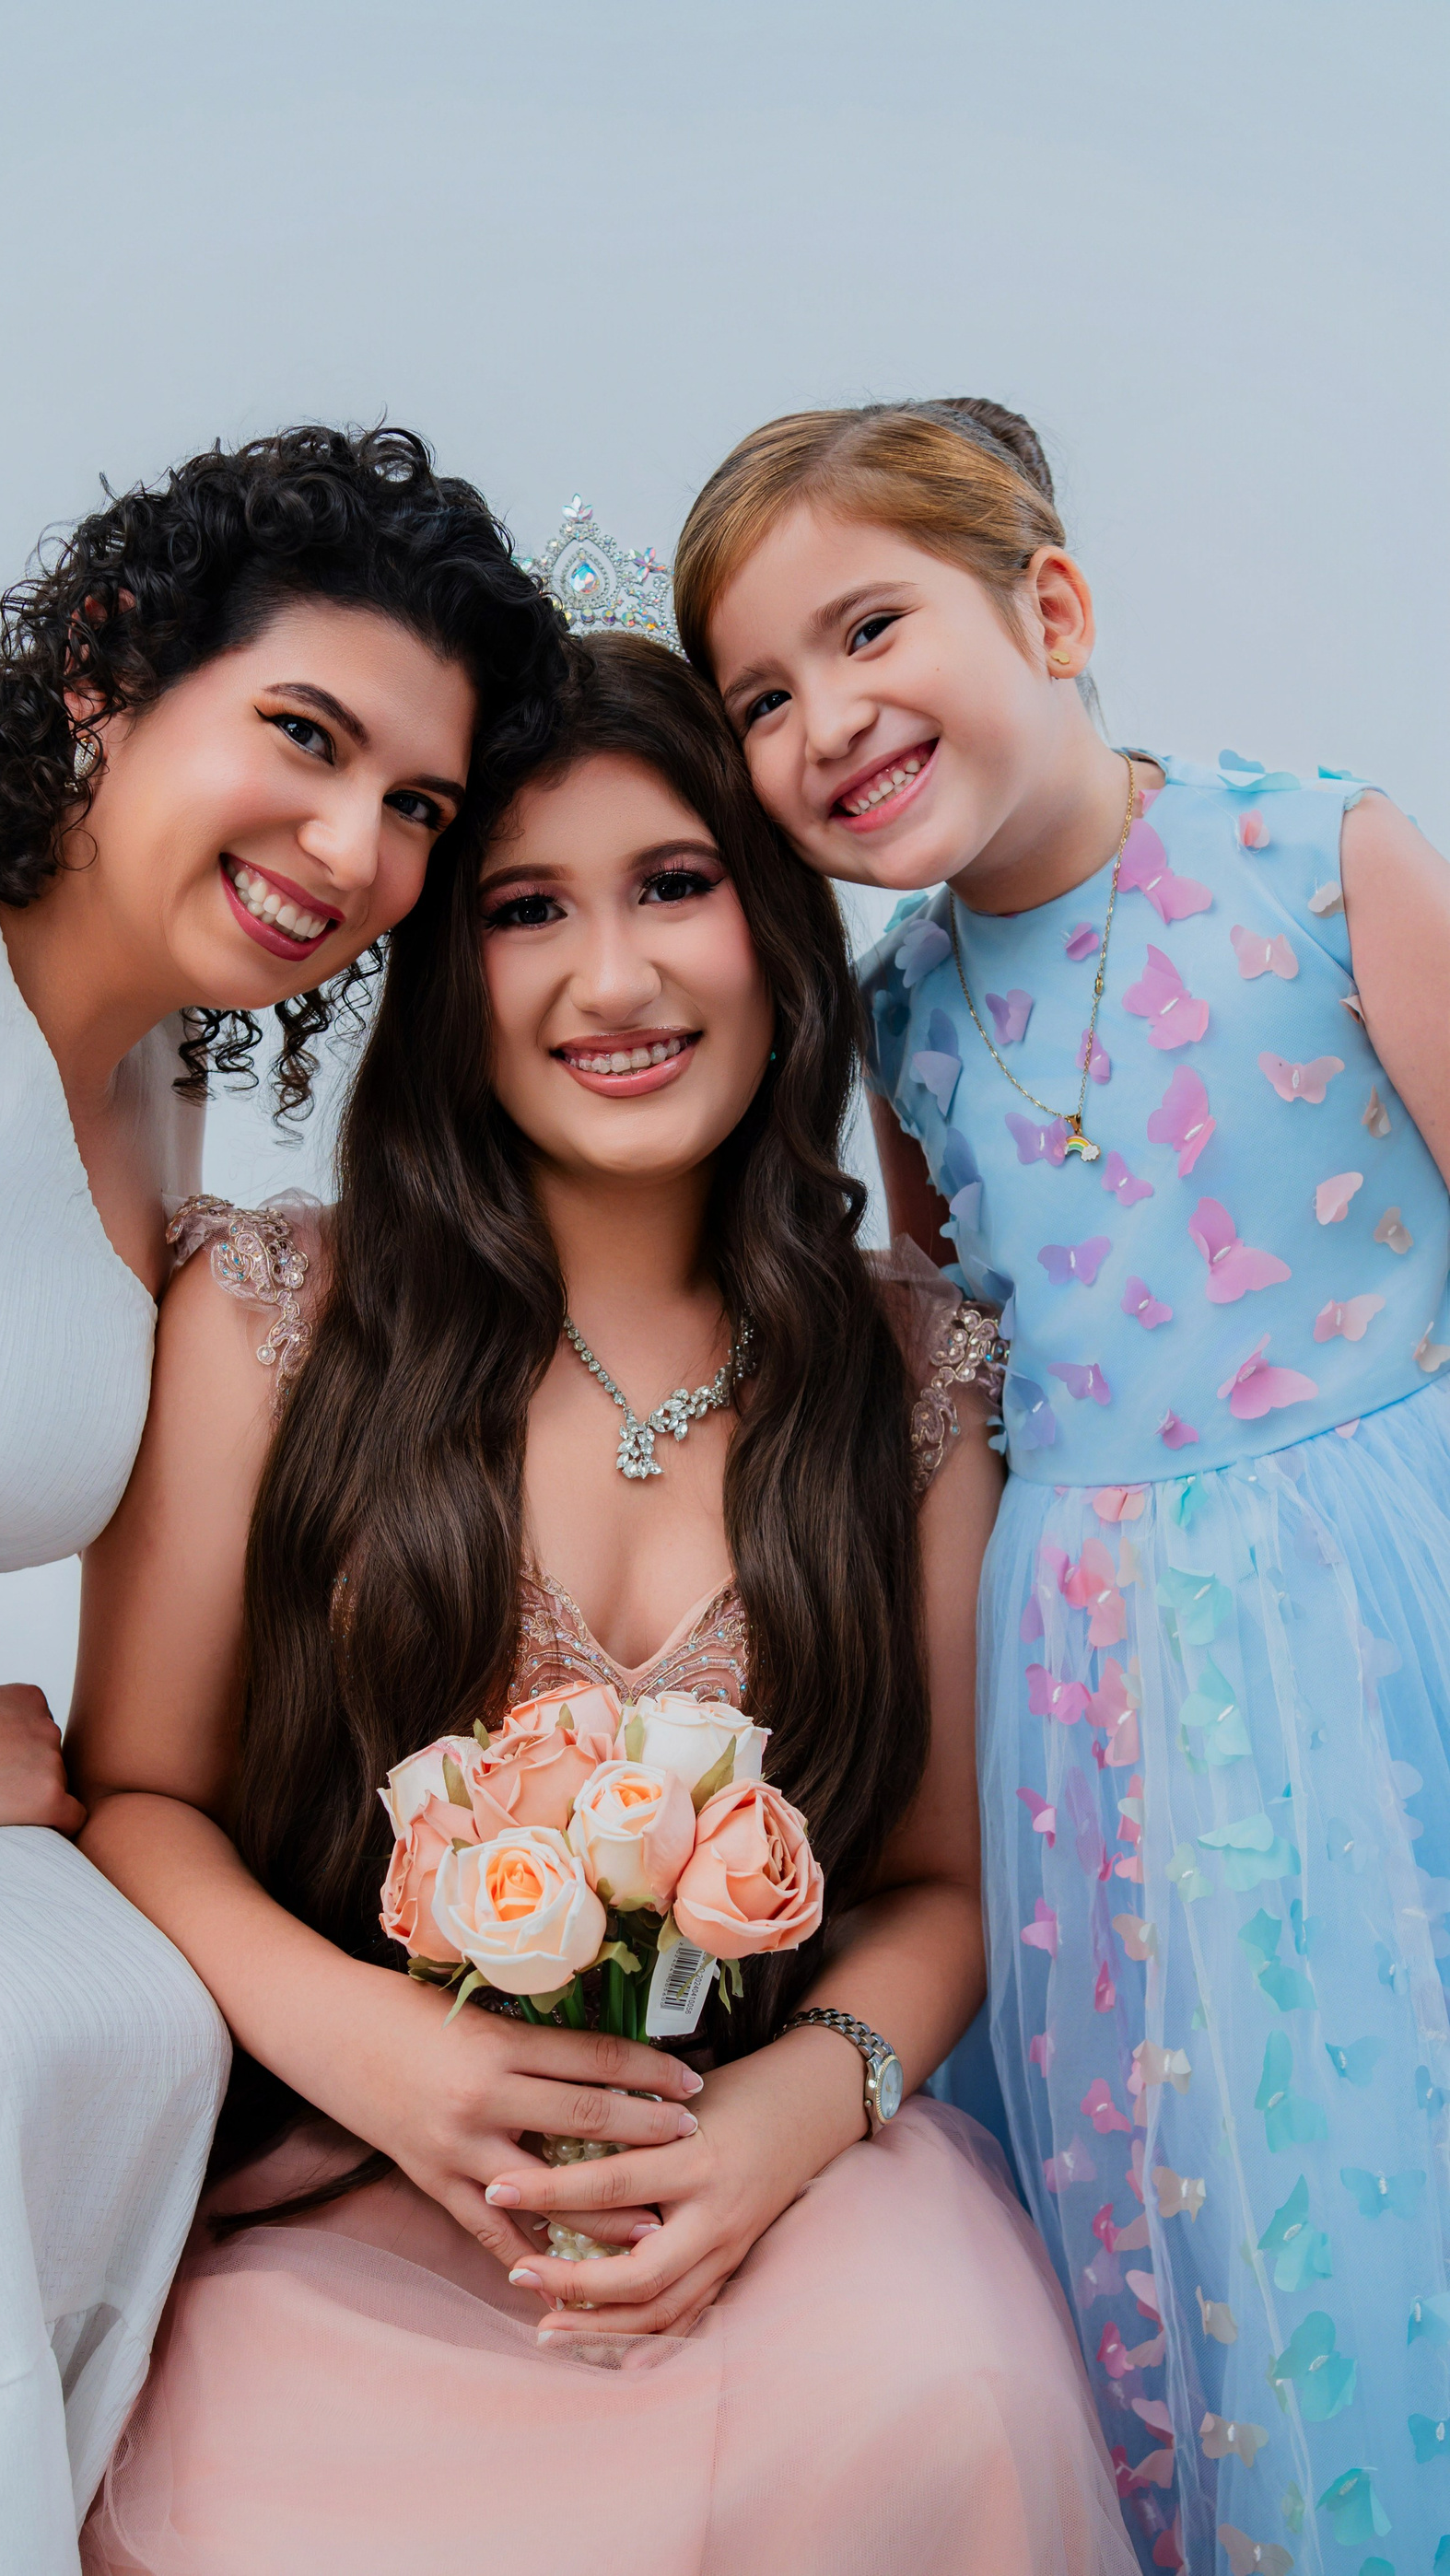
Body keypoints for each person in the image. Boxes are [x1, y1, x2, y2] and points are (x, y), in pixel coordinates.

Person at [72, 628, 1136, 2575]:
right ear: (439, 964)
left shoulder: (916, 1379)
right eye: (526, 908)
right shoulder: (267, 1318)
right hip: (356, 2180)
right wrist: (375, 2049)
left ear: (778, 926)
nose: (616, 977)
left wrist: (789, 2120)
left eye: (674, 883)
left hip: (771, 2188)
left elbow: (943, 1883)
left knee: (944, 2394)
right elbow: (135, 1794)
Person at [0, 424, 563, 2575]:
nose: (352, 846)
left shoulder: (150, 1090)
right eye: (306, 735)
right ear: (103, 665)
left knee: (151, 2029)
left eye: (420, 808)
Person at [674, 397, 1450, 2573]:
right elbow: (978, 1378)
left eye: (868, 629)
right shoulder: (905, 1022)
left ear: (1055, 608)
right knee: (1230, 2191)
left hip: (1385, 1599)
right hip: (1113, 1694)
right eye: (760, 696)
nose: (827, 717)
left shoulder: (1324, 856)